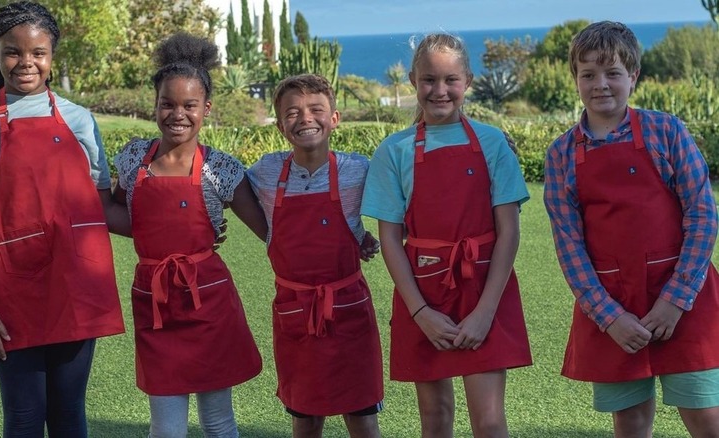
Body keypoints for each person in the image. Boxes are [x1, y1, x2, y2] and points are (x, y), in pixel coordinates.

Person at [0, 1, 125, 436]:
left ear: (52, 55)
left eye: (37, 52)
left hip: (76, 283)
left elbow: (100, 207)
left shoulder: (79, 119)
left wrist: (184, 222)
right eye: (12, 51)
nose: (26, 63)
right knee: (23, 415)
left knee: (68, 413)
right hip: (9, 291)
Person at [544, 20, 719, 437]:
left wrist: (675, 301)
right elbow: (569, 246)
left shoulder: (666, 131)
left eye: (612, 73)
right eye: (588, 74)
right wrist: (609, 317)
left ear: (633, 76)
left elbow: (702, 215)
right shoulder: (561, 153)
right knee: (631, 422)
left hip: (684, 299)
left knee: (706, 416)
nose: (600, 84)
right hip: (612, 304)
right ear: (576, 79)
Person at [361, 33, 532, 437]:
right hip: (423, 291)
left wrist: (486, 311)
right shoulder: (394, 150)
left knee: (488, 422)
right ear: (412, 80)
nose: (440, 91)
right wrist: (421, 313)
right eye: (429, 80)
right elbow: (390, 240)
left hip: (485, 288)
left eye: (450, 80)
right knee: (435, 418)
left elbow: (509, 230)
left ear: (468, 81)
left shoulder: (492, 143)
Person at [111, 32, 265, 438]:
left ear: (206, 109)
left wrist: (348, 238)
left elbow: (270, 230)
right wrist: (66, 201)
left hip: (209, 303)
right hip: (155, 303)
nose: (177, 114)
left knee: (218, 423)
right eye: (167, 103)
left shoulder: (222, 169)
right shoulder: (132, 159)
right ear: (155, 105)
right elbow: (123, 214)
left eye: (189, 105)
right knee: (166, 430)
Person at [246, 74, 384, 438]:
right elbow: (222, 187)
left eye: (316, 110)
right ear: (280, 126)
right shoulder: (265, 172)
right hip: (295, 312)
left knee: (362, 415)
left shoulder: (358, 169)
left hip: (349, 309)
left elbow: (409, 181)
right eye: (292, 112)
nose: (305, 118)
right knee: (305, 418)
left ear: (335, 118)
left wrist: (361, 236)